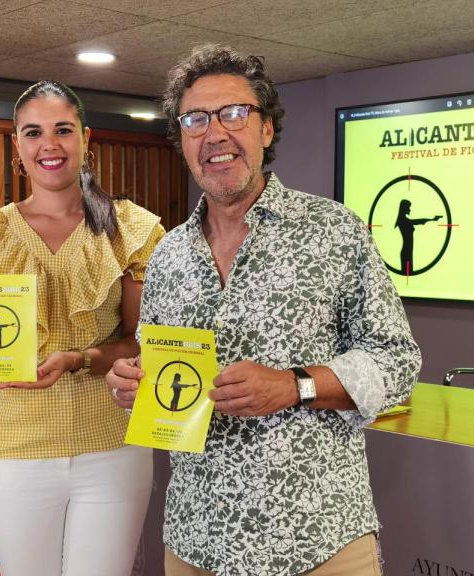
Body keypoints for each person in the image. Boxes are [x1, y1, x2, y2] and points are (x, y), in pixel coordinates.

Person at [107, 45, 421, 576]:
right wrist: (131, 386)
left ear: (267, 129)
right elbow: (160, 372)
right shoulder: (167, 256)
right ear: (183, 140)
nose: (215, 133)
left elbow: (397, 364)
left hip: (318, 540)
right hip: (197, 538)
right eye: (196, 120)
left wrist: (293, 384)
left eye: (234, 113)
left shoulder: (334, 231)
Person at [0, 80, 165, 576]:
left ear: (87, 138)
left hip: (112, 445)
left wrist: (79, 359)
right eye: (33, 132)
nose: (49, 145)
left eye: (63, 130)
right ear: (16, 144)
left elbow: (142, 340)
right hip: (11, 447)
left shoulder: (129, 227)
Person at [394, 199, 441, 274]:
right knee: (407, 273)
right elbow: (418, 221)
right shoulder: (402, 220)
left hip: (408, 251)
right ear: (404, 208)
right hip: (406, 252)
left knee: (408, 273)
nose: (409, 209)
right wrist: (432, 219)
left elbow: (418, 221)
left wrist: (432, 220)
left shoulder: (404, 220)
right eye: (408, 207)